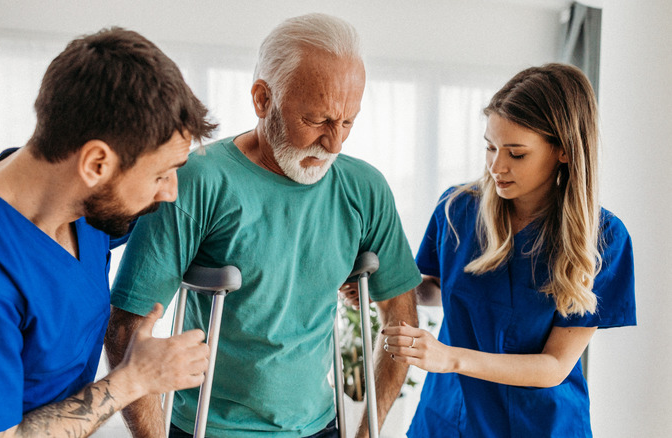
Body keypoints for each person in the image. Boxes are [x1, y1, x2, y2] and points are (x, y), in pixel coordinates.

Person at [105, 13, 422, 438]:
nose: (335, 143)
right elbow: (128, 326)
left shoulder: (364, 189)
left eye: (348, 122)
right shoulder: (195, 179)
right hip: (208, 427)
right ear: (262, 99)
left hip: (320, 426)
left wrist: (367, 433)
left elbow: (401, 318)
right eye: (318, 120)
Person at [0, 27, 217, 437]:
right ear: (96, 163)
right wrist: (135, 378)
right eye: (161, 175)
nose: (171, 192)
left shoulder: (78, 205)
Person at [380, 63, 636, 437]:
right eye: (490, 147)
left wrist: (450, 358)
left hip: (540, 424)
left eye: (516, 154)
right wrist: (387, 286)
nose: (496, 166)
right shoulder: (456, 209)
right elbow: (436, 288)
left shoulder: (602, 239)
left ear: (563, 150)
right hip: (451, 416)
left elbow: (554, 364)